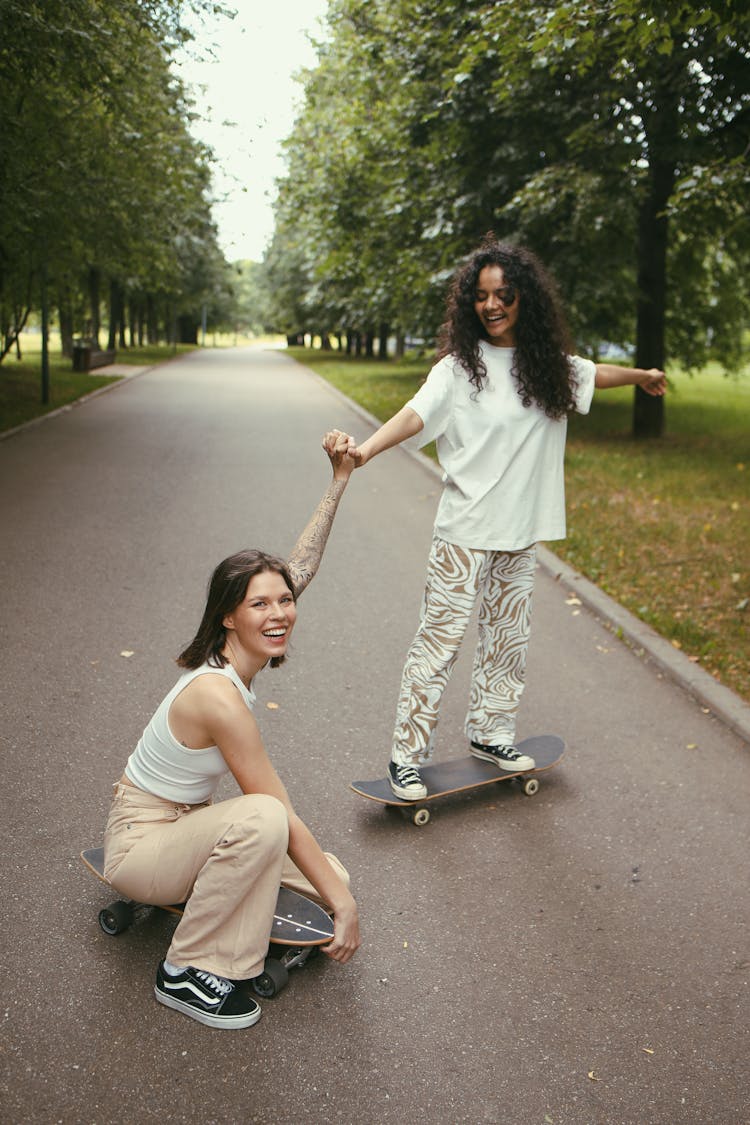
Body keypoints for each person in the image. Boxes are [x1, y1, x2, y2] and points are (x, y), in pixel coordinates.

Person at [330, 236, 666, 801]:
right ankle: (405, 759)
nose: (491, 305)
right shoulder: (458, 369)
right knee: (438, 643)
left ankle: (492, 733)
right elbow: (415, 416)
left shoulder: (546, 368)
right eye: (482, 296)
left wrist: (643, 375)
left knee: (508, 640)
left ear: (523, 299)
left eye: (503, 295)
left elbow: (593, 374)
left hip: (518, 531)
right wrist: (363, 453)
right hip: (464, 530)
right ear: (470, 303)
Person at [102, 433, 360, 1030]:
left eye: (284, 603)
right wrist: (346, 910)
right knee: (266, 818)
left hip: (186, 827)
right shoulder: (219, 696)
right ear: (228, 616)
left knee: (330, 873)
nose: (278, 615)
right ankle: (188, 973)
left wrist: (339, 481)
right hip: (140, 843)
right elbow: (275, 807)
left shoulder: (242, 649)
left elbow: (300, 568)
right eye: (259, 606)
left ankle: (221, 899)